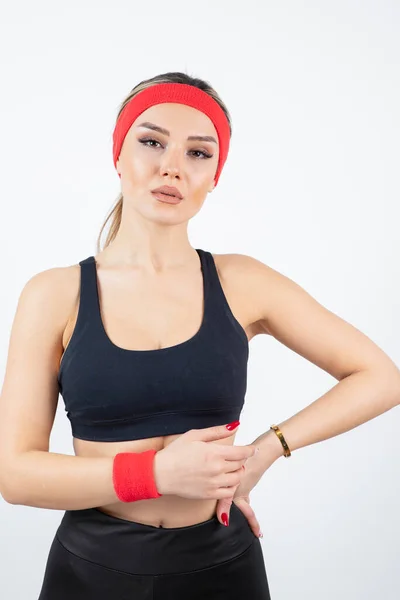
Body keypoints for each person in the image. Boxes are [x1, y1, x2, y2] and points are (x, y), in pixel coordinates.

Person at [0, 71, 399, 600]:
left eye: (198, 153)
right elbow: (16, 474)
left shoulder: (242, 282)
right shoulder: (55, 294)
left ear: (216, 174)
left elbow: (380, 377)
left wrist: (264, 452)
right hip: (94, 569)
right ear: (118, 154)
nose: (171, 167)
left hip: (222, 564)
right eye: (151, 142)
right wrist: (157, 473)